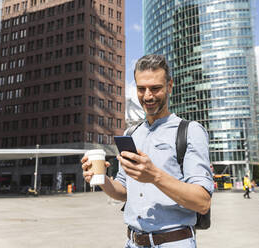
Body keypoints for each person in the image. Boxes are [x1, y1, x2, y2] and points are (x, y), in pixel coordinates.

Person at [82, 54, 214, 248]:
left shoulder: (190, 131)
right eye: (141, 88)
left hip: (174, 242)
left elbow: (202, 202)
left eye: (155, 88)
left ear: (169, 86)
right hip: (132, 242)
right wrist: (101, 179)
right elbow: (124, 192)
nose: (147, 96)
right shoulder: (131, 133)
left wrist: (154, 176)